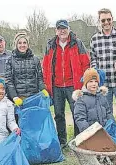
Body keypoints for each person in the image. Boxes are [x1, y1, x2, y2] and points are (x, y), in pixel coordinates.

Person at [42, 19, 90, 147]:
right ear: (56, 31)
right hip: (56, 86)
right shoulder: (51, 45)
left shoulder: (77, 43)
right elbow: (46, 66)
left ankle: (78, 139)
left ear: (68, 29)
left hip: (73, 85)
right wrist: (47, 85)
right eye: (59, 28)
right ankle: (62, 141)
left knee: (77, 112)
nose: (62, 31)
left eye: (64, 28)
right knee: (58, 114)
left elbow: (86, 62)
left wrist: (83, 81)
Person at [90, 8, 116, 115]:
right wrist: (96, 73)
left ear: (112, 19)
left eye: (108, 19)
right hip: (104, 85)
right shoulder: (95, 39)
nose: (106, 23)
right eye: (103, 20)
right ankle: (111, 132)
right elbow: (93, 59)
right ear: (99, 21)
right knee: (106, 114)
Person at [5, 32, 48, 109]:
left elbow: (39, 78)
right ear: (16, 45)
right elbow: (9, 81)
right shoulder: (10, 61)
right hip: (19, 99)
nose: (22, 45)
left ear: (28, 44)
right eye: (20, 43)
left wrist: (43, 89)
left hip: (34, 97)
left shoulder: (35, 59)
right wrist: (14, 97)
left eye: (24, 43)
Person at [73, 68, 114, 132]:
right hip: (91, 134)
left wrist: (113, 126)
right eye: (91, 81)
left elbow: (108, 113)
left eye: (96, 81)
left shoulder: (102, 96)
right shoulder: (81, 100)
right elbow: (80, 118)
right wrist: (89, 132)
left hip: (105, 132)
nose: (94, 84)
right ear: (85, 83)